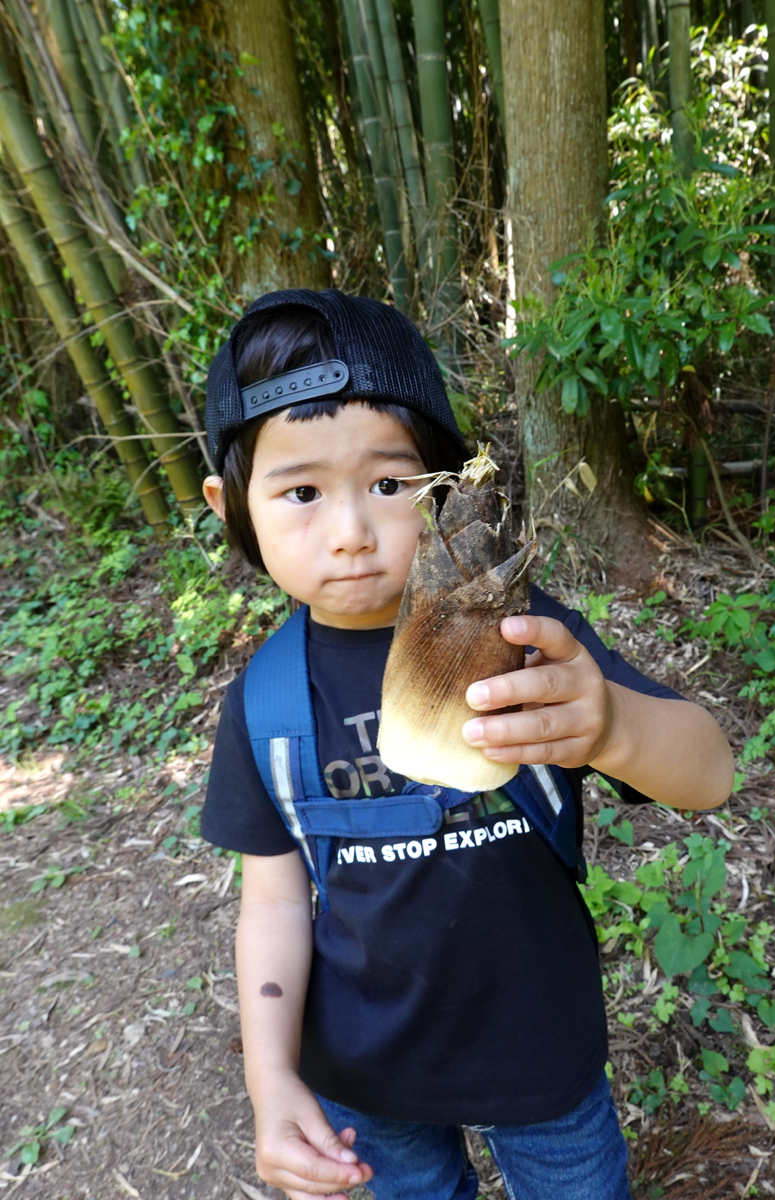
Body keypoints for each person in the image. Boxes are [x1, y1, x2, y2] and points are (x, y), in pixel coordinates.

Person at [199, 288, 735, 1200]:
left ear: (452, 485)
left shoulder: (527, 638)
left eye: (390, 484)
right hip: (369, 1077)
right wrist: (271, 1078)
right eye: (299, 491)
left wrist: (608, 722)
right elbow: (276, 907)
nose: (352, 533)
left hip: (542, 1055)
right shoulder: (266, 703)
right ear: (231, 505)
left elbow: (710, 773)